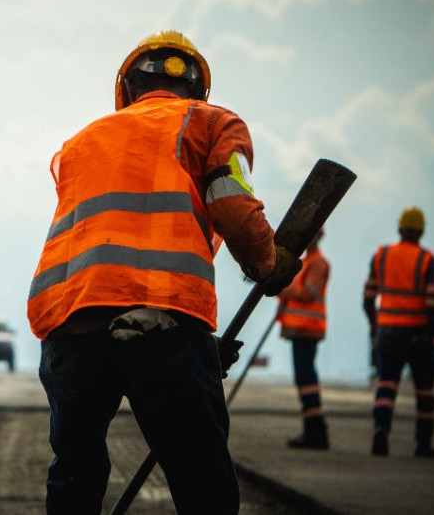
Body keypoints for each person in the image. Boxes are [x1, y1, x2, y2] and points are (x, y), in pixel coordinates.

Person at [27, 30, 301, 514]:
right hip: (164, 319)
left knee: (75, 470)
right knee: (202, 480)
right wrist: (267, 264)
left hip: (71, 325)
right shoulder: (212, 122)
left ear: (127, 89)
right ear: (198, 89)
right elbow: (233, 205)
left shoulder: (82, 141)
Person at [363, 206, 434, 458]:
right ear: (421, 231)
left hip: (388, 333)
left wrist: (375, 325)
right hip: (418, 335)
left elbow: (367, 298)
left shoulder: (381, 255)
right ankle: (423, 444)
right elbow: (433, 303)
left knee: (386, 385)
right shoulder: (427, 259)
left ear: (400, 229)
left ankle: (381, 430)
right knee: (425, 391)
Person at [277, 229, 330, 449]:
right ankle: (312, 428)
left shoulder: (318, 263)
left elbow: (307, 294)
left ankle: (315, 431)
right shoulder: (306, 262)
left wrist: (281, 288)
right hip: (298, 330)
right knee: (304, 379)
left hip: (307, 329)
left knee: (306, 379)